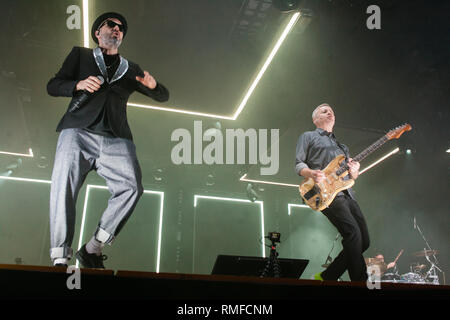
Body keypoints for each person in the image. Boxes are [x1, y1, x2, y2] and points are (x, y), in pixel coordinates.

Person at [47, 12, 169, 268]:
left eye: (121, 28)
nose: (117, 29)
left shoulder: (131, 68)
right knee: (63, 188)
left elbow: (162, 96)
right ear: (96, 33)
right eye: (110, 25)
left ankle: (93, 248)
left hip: (115, 137)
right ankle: (60, 257)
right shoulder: (80, 55)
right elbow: (53, 85)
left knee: (132, 187)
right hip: (77, 131)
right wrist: (78, 84)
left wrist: (154, 85)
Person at [295, 103, 370, 281]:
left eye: (331, 111)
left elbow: (351, 176)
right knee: (353, 234)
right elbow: (299, 164)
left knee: (363, 242)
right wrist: (312, 173)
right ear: (315, 119)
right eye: (324, 111)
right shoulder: (308, 137)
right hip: (325, 193)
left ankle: (327, 276)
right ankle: (361, 283)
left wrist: (355, 171)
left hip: (348, 193)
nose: (330, 113)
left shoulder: (342, 147)